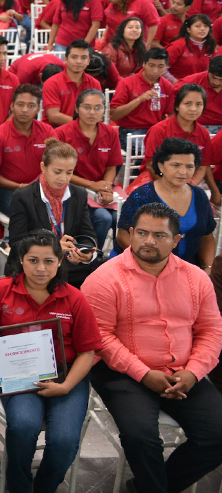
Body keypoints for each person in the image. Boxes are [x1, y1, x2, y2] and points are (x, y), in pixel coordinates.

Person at [83, 202, 222, 493]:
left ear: (177, 240)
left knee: (218, 434)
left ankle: (148, 488)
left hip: (182, 370)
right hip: (121, 373)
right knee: (140, 437)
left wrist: (194, 372)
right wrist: (144, 373)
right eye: (142, 233)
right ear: (131, 233)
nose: (149, 241)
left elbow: (211, 331)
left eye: (159, 235)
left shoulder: (196, 278)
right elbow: (101, 337)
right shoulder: (104, 279)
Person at [0, 229, 101, 493]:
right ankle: (18, 487)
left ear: (60, 261)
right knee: (23, 426)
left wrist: (66, 387)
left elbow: (87, 352)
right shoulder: (0, 291)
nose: (41, 268)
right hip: (19, 374)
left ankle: (44, 487)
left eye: (49, 261)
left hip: (66, 376)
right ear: (21, 260)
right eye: (33, 260)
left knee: (64, 440)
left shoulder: (74, 298)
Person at [9, 138, 102, 288]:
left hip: (70, 266)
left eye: (69, 172)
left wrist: (87, 254)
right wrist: (53, 247)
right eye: (57, 172)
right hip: (35, 267)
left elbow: (87, 234)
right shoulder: (23, 196)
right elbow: (16, 244)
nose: (63, 178)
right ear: (43, 167)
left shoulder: (79, 194)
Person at [117, 137, 217, 268]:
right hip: (144, 266)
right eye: (176, 165)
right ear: (161, 166)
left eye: (189, 166)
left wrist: (208, 268)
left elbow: (207, 237)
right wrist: (156, 265)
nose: (183, 172)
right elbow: (123, 236)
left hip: (189, 267)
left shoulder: (199, 196)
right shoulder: (142, 195)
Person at [54, 89, 123, 251]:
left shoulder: (110, 133)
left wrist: (106, 187)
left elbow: (111, 166)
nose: (92, 112)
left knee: (121, 218)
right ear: (77, 109)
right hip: (70, 189)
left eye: (98, 108)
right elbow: (59, 172)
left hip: (100, 189)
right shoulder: (62, 133)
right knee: (103, 218)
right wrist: (92, 185)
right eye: (87, 107)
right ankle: (89, 256)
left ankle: (116, 258)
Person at [0, 84, 56, 216]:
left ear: (38, 109)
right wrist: (20, 187)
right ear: (12, 106)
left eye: (31, 106)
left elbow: (55, 165)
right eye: (20, 104)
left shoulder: (48, 132)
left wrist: (37, 185)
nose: (25, 110)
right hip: (9, 190)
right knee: (30, 214)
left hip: (43, 188)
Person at [110, 47, 176, 148]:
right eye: (151, 65)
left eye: (160, 66)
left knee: (172, 149)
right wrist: (139, 99)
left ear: (166, 67)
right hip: (130, 130)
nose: (155, 70)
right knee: (149, 150)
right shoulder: (127, 83)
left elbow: (170, 114)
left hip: (156, 130)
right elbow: (114, 115)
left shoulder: (168, 86)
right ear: (144, 64)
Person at [42, 40, 103, 126]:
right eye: (74, 57)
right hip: (56, 130)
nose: (79, 61)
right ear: (65, 59)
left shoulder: (94, 83)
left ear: (88, 61)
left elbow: (98, 111)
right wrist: (82, 123)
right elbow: (53, 116)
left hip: (85, 129)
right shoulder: (52, 83)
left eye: (83, 58)